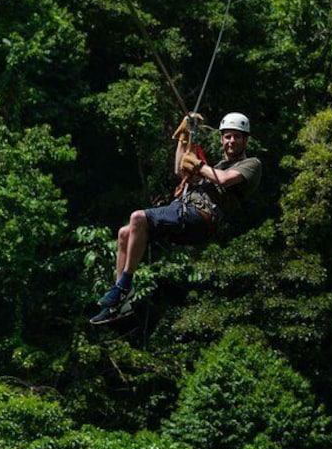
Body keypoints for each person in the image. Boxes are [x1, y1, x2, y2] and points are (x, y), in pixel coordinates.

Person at [90, 111, 262, 324]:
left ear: (246, 140)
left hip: (199, 217)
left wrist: (198, 165)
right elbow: (180, 170)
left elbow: (225, 180)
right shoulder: (215, 166)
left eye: (237, 136)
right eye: (227, 136)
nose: (231, 141)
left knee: (137, 217)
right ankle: (120, 303)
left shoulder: (251, 165)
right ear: (221, 139)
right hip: (184, 212)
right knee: (125, 233)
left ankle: (124, 286)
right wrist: (184, 138)